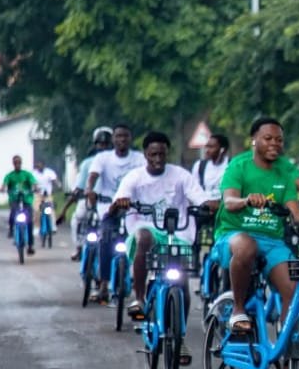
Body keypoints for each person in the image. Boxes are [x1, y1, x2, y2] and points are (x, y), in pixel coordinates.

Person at [110, 131, 216, 327]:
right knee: (144, 237)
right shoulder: (134, 177)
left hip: (178, 234)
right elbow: (118, 201)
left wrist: (210, 205)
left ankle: (179, 335)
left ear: (167, 153)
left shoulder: (181, 175)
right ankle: (139, 298)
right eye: (153, 154)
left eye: (162, 154)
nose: (158, 159)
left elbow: (200, 198)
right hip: (145, 230)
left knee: (181, 283)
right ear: (145, 155)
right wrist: (121, 202)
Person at [209, 117, 299, 332]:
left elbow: (295, 210)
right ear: (254, 140)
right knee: (246, 246)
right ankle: (238, 309)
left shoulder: (283, 172)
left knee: (294, 288)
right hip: (235, 234)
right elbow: (229, 202)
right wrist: (246, 200)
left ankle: (288, 343)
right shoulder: (239, 166)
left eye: (279, 140)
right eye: (268, 138)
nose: (274, 144)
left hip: (272, 241)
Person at [86, 124, 145, 302]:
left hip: (132, 208)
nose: (122, 139)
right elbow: (93, 176)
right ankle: (103, 284)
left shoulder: (139, 159)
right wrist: (89, 190)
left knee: (142, 240)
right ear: (113, 139)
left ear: (130, 138)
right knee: (104, 239)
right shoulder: (103, 158)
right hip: (108, 207)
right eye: (118, 136)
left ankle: (141, 284)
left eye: (125, 136)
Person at [59, 127, 112, 259]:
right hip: (90, 200)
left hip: (112, 202)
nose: (103, 147)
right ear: (95, 145)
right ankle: (79, 247)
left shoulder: (117, 162)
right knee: (78, 216)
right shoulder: (87, 163)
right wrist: (64, 209)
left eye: (106, 144)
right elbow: (79, 187)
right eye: (100, 144)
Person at [2, 156, 38, 255]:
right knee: (13, 214)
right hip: (14, 199)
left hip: (27, 199)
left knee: (29, 222)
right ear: (13, 164)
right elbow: (4, 184)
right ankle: (11, 229)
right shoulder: (10, 175)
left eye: (19, 163)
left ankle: (30, 245)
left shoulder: (27, 174)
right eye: (15, 163)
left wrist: (35, 188)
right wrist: (3, 189)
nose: (17, 164)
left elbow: (33, 183)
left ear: (21, 163)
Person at [192, 132, 231, 199]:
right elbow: (194, 189)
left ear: (222, 149)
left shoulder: (231, 165)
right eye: (207, 147)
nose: (207, 150)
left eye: (211, 147)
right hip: (205, 203)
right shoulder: (199, 166)